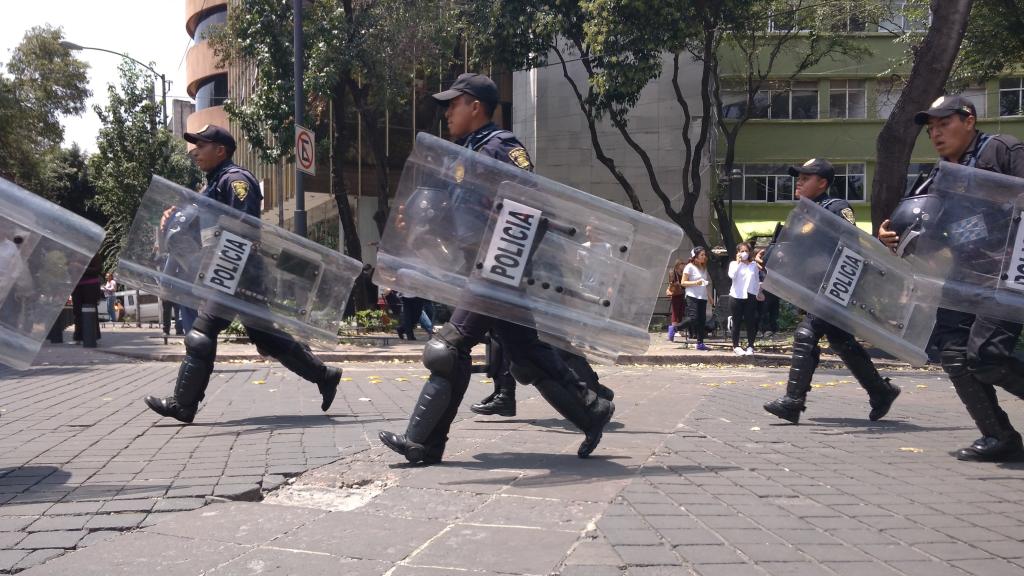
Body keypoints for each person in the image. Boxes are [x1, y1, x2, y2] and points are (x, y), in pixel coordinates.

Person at [379, 73, 615, 464]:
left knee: (448, 347)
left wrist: (505, 262)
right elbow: (467, 219)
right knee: (525, 356)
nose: (448, 112)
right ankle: (592, 410)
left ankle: (423, 442)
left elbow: (532, 206)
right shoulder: (469, 151)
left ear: (476, 106)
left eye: (453, 104)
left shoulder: (500, 147)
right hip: (487, 265)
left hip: (497, 269)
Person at [144, 124, 342, 424]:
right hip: (227, 270)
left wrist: (223, 268)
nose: (195, 151)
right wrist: (176, 218)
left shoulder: (235, 180)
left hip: (235, 269)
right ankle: (324, 375)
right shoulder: (211, 185)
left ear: (220, 150)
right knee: (268, 338)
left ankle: (183, 405)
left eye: (202, 145)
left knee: (202, 332)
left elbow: (244, 229)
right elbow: (201, 229)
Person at [879, 95, 1024, 461]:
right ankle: (998, 437)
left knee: (988, 355)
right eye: (931, 129)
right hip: (963, 279)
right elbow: (924, 228)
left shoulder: (1003, 151)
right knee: (954, 353)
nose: (937, 134)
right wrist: (892, 236)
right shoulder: (935, 177)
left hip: (1008, 274)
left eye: (944, 124)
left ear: (969, 120)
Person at [764, 158, 901, 424]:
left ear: (823, 183)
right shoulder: (802, 213)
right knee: (841, 342)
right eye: (798, 178)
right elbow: (789, 251)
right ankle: (881, 392)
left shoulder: (835, 208)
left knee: (806, 334)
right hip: (816, 287)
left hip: (836, 285)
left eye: (806, 178)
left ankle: (793, 402)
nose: (799, 183)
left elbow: (850, 244)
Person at [677, 247, 712, 351]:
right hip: (692, 295)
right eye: (701, 255)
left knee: (702, 320)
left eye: (704, 254)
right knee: (694, 318)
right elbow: (683, 282)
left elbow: (704, 284)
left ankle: (700, 343)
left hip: (703, 296)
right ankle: (675, 328)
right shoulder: (689, 267)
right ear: (695, 257)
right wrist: (695, 283)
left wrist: (709, 296)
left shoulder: (703, 267)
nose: (704, 257)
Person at [728, 242, 760, 355]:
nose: (744, 253)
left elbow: (756, 281)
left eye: (746, 251)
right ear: (738, 252)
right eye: (742, 251)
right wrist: (738, 262)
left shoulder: (753, 265)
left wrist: (759, 293)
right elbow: (732, 275)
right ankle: (736, 346)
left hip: (750, 296)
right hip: (736, 296)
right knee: (736, 322)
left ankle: (751, 346)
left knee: (750, 321)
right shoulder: (733, 264)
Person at [71, 253, 103, 343]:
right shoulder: (75, 253)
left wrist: (81, 267)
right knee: (77, 311)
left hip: (90, 286)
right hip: (77, 286)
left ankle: (92, 336)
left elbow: (97, 270)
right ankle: (78, 337)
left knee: (90, 310)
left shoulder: (94, 254)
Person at [666, 260, 685, 342]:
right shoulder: (673, 272)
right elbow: (671, 282)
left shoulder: (682, 272)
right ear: (678, 265)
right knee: (675, 311)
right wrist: (676, 284)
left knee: (681, 311)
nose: (683, 266)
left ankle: (679, 328)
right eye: (682, 264)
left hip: (681, 293)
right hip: (675, 294)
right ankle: (674, 328)